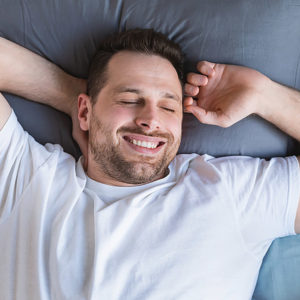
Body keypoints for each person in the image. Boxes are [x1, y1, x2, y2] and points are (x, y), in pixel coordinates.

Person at [0, 28, 299, 300]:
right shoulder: (27, 177)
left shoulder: (230, 192)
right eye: (129, 100)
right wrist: (68, 94)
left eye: (168, 106)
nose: (151, 120)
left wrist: (265, 96)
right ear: (84, 112)